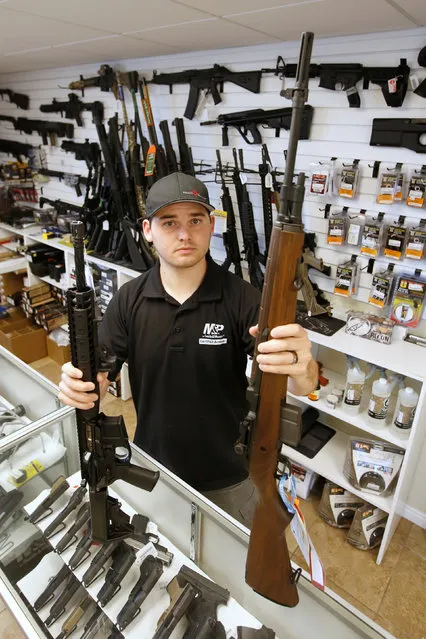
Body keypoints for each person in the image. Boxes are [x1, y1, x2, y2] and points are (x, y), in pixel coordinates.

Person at [59, 173, 318, 525]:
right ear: (148, 230)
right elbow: (100, 379)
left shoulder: (244, 299)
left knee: (234, 573)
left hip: (231, 475)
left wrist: (303, 369)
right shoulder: (127, 300)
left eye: (195, 220)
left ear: (211, 225)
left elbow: (298, 384)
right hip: (154, 469)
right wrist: (80, 386)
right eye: (170, 223)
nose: (184, 234)